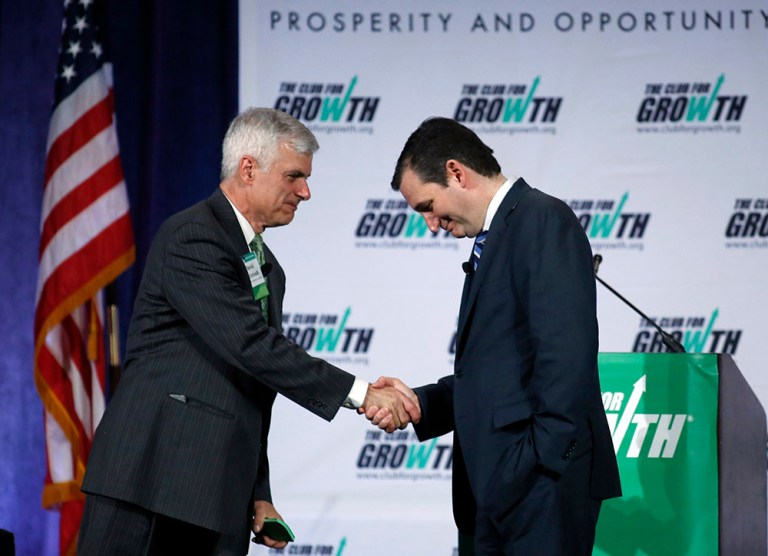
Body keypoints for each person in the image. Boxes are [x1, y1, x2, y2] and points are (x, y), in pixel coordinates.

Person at [77, 108, 417, 555]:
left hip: (217, 492)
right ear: (248, 168)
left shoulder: (268, 268)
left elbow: (251, 387)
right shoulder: (193, 237)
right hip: (150, 481)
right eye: (294, 176)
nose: (306, 192)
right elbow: (251, 346)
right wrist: (361, 393)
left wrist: (258, 492)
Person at [365, 117, 621, 555]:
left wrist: (532, 468)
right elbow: (495, 373)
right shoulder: (497, 236)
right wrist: (420, 404)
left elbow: (567, 358)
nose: (430, 224)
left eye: (427, 205)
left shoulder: (542, 220)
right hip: (498, 492)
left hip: (538, 492)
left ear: (456, 172)